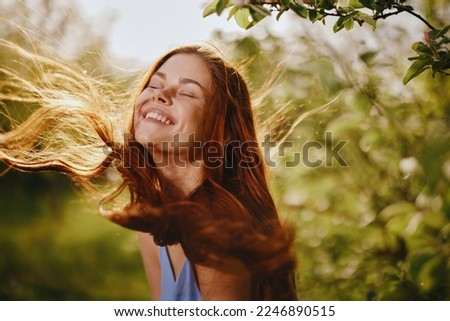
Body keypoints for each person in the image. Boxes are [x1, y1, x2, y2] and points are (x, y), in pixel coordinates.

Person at [0, 42, 297, 300]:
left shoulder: (216, 231)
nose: (161, 94)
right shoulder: (154, 215)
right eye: (155, 84)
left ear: (221, 131)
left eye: (188, 93)